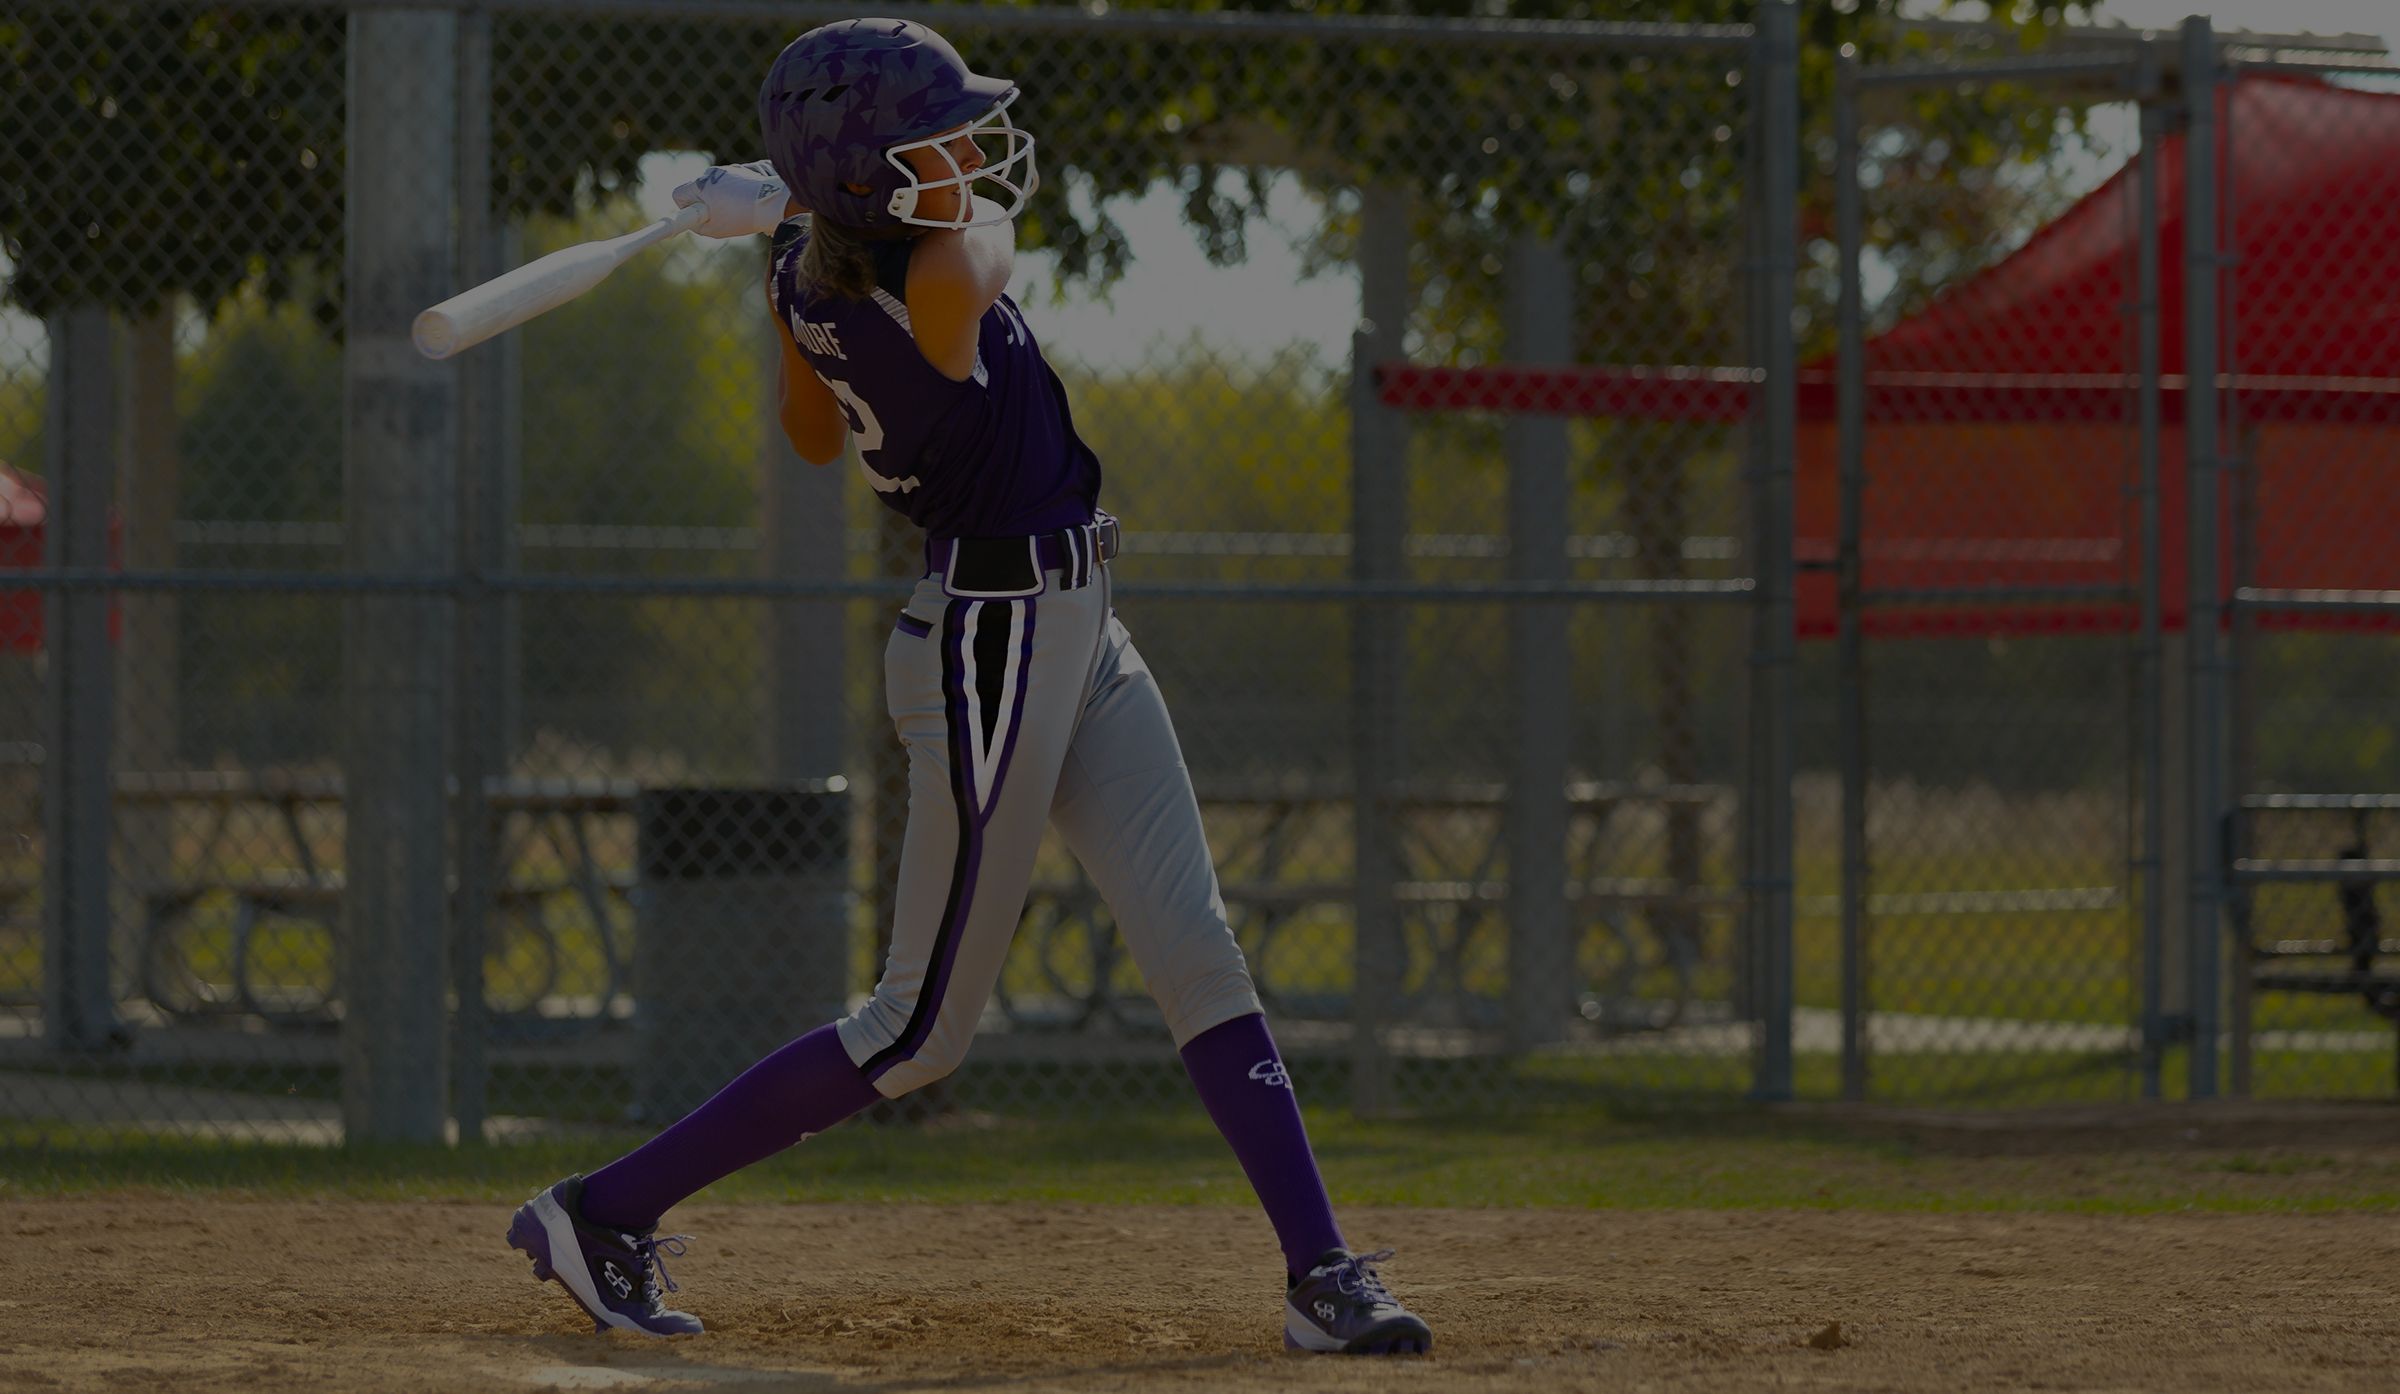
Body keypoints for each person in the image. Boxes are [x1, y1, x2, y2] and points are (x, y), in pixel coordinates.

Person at [503, 17, 1431, 1358]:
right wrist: (783, 212)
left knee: (1195, 943)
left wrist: (780, 245)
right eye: (932, 142)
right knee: (919, 1027)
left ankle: (1322, 1269)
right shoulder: (937, 282)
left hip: (1075, 618)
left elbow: (808, 427)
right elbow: (986, 243)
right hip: (992, 636)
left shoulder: (820, 285)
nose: (968, 154)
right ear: (874, 188)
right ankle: (600, 1209)